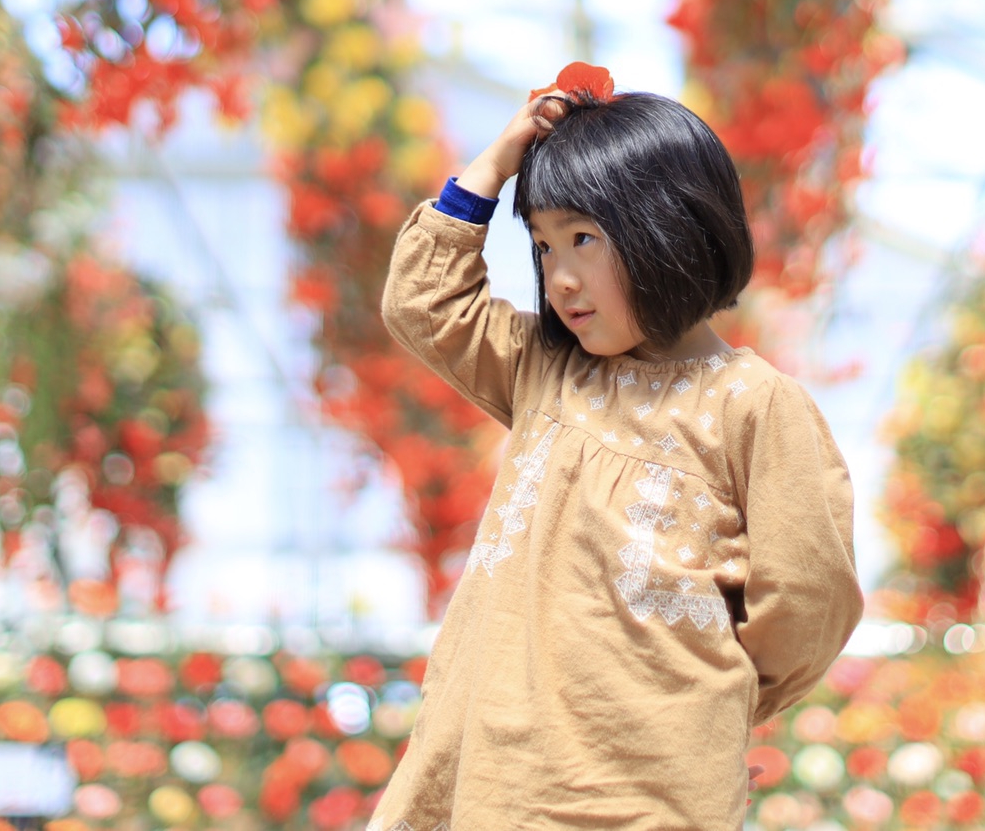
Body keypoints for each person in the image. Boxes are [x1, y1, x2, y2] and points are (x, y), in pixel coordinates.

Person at [369, 69, 864, 830]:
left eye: (584, 239)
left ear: (672, 227)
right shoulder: (545, 369)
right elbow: (422, 302)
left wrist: (708, 701)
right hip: (494, 781)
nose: (560, 278)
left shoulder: (754, 405)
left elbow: (808, 602)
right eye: (543, 247)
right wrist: (496, 164)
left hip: (648, 797)